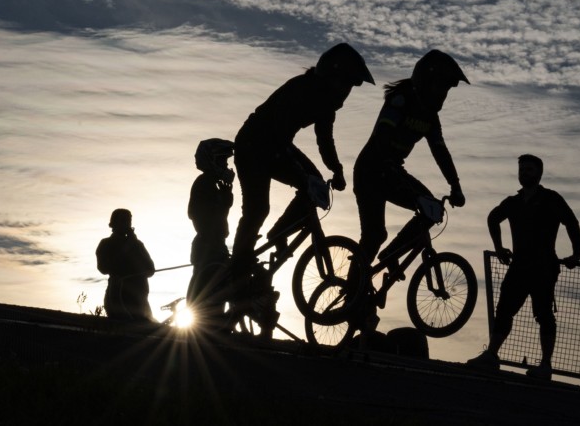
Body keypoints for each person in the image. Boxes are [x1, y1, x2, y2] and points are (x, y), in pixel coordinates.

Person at [230, 43, 375, 291]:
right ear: (331, 77)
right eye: (346, 84)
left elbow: (325, 140)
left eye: (351, 86)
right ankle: (238, 265)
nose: (346, 92)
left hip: (277, 145)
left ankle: (279, 231)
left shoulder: (326, 105)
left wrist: (336, 169)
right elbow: (275, 132)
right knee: (257, 210)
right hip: (253, 146)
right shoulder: (301, 89)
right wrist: (297, 170)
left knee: (314, 181)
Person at [352, 50, 469, 321]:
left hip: (392, 172)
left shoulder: (430, 117)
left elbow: (441, 152)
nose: (443, 95)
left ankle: (392, 253)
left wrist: (455, 185)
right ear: (425, 82)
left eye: (447, 91)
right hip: (371, 170)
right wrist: (386, 161)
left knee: (432, 208)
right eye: (441, 87)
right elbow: (383, 132)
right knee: (373, 236)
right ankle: (351, 289)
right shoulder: (400, 100)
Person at [467, 154, 580, 380]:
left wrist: (576, 254)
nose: (524, 173)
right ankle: (491, 355)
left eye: (529, 170)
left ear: (539, 174)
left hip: (544, 267)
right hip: (519, 266)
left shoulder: (551, 198)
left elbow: (572, 223)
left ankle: (545, 366)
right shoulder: (513, 202)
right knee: (504, 310)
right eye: (521, 170)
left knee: (543, 314)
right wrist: (499, 248)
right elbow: (493, 218)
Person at [186, 138, 234, 329]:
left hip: (215, 245)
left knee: (218, 291)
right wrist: (223, 203)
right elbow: (195, 214)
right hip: (208, 246)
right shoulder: (204, 183)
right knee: (207, 294)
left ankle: (213, 328)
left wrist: (226, 200)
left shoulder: (212, 184)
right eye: (223, 161)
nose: (226, 165)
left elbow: (220, 215)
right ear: (212, 160)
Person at [96, 208, 156, 321]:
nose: (127, 224)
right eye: (123, 221)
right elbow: (103, 268)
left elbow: (151, 270)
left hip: (140, 301)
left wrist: (135, 246)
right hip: (118, 298)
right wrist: (126, 248)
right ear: (113, 224)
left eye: (129, 221)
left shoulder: (138, 245)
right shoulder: (106, 243)